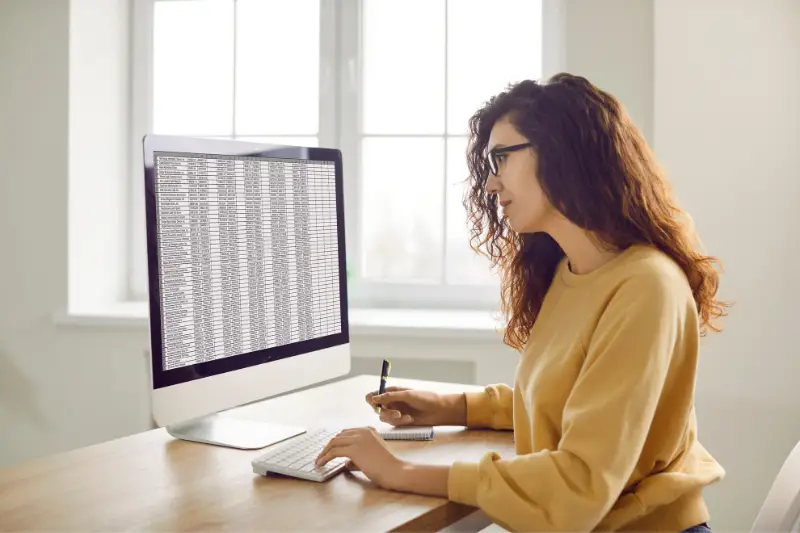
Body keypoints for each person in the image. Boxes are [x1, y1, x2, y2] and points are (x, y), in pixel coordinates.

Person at [315, 73, 729, 532]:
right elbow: (570, 406)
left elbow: (580, 482)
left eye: (501, 158)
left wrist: (401, 471)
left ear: (563, 152)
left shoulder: (646, 286)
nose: (491, 185)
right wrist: (450, 406)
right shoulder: (571, 271)